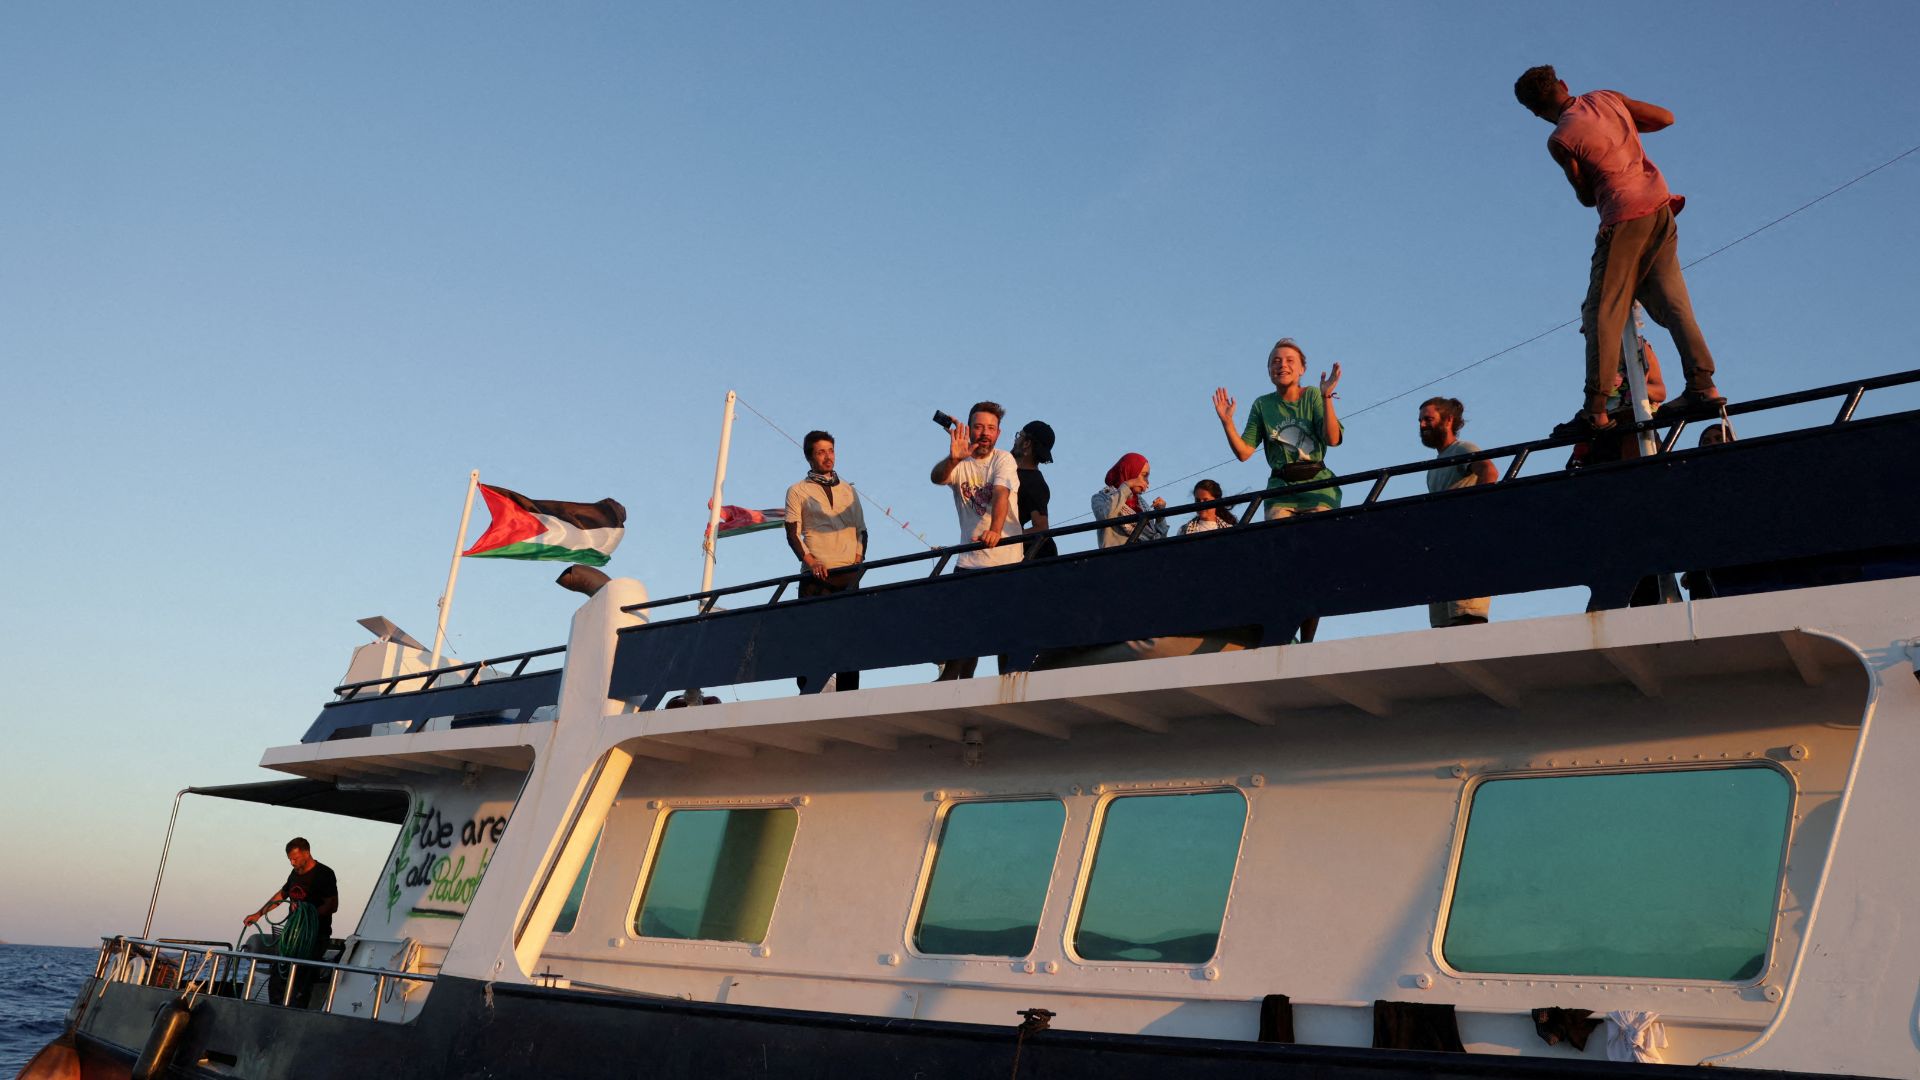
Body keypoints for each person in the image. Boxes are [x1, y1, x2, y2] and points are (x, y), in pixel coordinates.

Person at [1513, 65, 1724, 439]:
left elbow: (1584, 195)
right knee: (1672, 302)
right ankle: (1703, 387)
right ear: (1563, 85)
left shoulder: (1560, 139)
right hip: (1660, 208)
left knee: (1601, 311)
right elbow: (1664, 118)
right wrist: (1623, 124)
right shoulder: (1606, 98)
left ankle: (1595, 411)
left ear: (1534, 112)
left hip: (1623, 216)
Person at [931, 402, 1022, 679]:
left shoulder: (1004, 459)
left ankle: (1008, 688)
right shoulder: (961, 463)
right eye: (979, 427)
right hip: (969, 561)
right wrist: (954, 459)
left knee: (1005, 631)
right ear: (969, 429)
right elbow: (936, 478)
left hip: (1005, 560)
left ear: (998, 433)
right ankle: (956, 690)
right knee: (962, 635)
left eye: (991, 429)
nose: (985, 433)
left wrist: (995, 529)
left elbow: (1001, 493)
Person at [1212, 338, 1344, 519]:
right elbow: (1244, 453)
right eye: (1276, 361)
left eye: (1290, 361)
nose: (1282, 365)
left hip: (1318, 486)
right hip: (1280, 490)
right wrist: (1227, 422)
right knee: (1279, 540)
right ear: (1269, 371)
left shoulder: (1313, 395)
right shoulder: (1262, 404)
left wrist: (1326, 396)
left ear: (1301, 369)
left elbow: (1333, 439)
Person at [784, 430, 868, 691]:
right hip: (815, 577)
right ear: (809, 456)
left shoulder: (849, 491)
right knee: (810, 641)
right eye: (821, 452)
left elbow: (862, 531)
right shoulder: (797, 490)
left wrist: (858, 561)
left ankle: (848, 700)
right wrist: (810, 561)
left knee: (849, 644)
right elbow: (791, 532)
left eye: (830, 451)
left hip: (847, 575)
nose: (828, 457)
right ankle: (808, 696)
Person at [1418, 397, 1498, 627]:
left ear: (1448, 420)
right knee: (1443, 626)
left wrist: (1473, 512)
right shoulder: (1433, 468)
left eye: (1428, 419)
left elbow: (1489, 472)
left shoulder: (1463, 448)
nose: (1422, 425)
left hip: (1465, 543)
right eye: (1420, 420)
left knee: (1468, 615)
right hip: (1441, 548)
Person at [243, 838, 339, 1007]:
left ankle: (297, 1011)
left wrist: (308, 915)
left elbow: (332, 905)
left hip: (315, 937)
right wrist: (258, 914)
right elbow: (281, 895)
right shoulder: (295, 874)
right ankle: (276, 1009)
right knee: (279, 973)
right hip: (292, 936)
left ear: (307, 853)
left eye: (295, 858)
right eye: (289, 859)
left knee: (301, 977)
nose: (292, 862)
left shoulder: (324, 874)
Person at [1092, 454, 1168, 548]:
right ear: (1130, 472)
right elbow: (1105, 517)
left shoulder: (1142, 505)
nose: (1147, 482)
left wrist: (1160, 516)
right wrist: (1127, 485)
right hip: (1118, 559)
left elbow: (1160, 542)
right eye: (1144, 476)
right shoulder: (1101, 498)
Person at [1011, 420, 1058, 560]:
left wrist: (1005, 539)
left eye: (1020, 435)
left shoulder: (1034, 483)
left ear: (1026, 443)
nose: (1016, 439)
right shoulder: (1009, 471)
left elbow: (1041, 528)